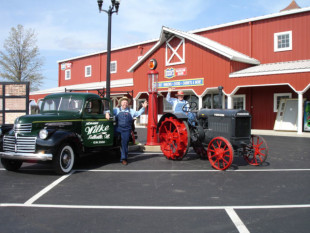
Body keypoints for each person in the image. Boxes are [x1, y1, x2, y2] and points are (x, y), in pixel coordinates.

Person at [105, 96, 148, 165]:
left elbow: (138, 113)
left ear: (127, 104)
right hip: (118, 129)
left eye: (126, 102)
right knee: (110, 137)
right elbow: (108, 111)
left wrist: (143, 108)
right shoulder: (116, 110)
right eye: (123, 102)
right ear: (121, 103)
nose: (125, 103)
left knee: (125, 144)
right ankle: (111, 153)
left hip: (126, 130)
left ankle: (124, 158)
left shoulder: (131, 111)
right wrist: (107, 113)